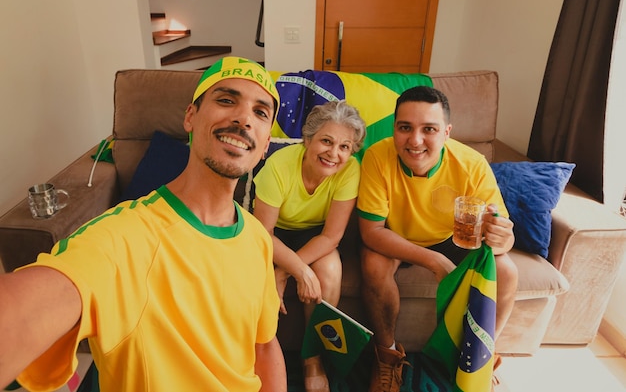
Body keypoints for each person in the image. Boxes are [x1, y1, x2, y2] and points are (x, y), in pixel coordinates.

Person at [0, 56, 287, 392]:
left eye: (260, 112)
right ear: (191, 117)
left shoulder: (256, 236)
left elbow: (264, 345)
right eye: (226, 100)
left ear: (266, 144)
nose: (243, 118)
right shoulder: (124, 237)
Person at [357, 86, 518, 392]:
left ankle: (482, 353)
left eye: (428, 129)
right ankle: (387, 355)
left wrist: (502, 238)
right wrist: (432, 260)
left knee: (508, 270)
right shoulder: (378, 156)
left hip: (453, 237)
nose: (415, 141)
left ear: (446, 133)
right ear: (394, 129)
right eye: (405, 128)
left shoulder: (472, 164)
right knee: (373, 263)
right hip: (396, 236)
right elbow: (371, 231)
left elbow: (501, 236)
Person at [252, 100, 366, 392]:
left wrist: (284, 272)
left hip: (317, 235)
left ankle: (312, 358)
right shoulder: (278, 166)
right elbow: (263, 232)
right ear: (307, 140)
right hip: (272, 233)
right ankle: (252, 356)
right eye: (326, 141)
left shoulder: (350, 170)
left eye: (344, 147)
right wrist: (298, 270)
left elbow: (331, 237)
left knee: (329, 269)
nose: (334, 153)